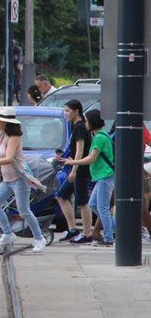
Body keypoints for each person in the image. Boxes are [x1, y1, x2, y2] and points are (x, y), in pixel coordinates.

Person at [0, 107, 48, 252]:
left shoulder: (14, 138)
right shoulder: (1, 136)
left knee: (24, 211)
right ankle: (8, 233)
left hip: (19, 180)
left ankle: (39, 238)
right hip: (6, 180)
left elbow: (9, 158)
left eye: (0, 121)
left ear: (6, 123)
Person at [60, 109, 114, 248]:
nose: (85, 123)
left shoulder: (100, 137)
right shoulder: (101, 135)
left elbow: (92, 158)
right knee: (94, 205)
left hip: (105, 176)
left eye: (87, 121)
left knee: (102, 208)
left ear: (93, 122)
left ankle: (108, 238)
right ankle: (114, 225)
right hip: (103, 176)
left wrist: (73, 162)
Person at [55, 99, 91, 243]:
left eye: (67, 111)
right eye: (64, 110)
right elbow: (75, 149)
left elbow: (81, 150)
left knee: (82, 202)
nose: (65, 114)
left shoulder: (80, 127)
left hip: (80, 170)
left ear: (76, 111)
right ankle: (73, 229)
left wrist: (74, 170)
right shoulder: (75, 126)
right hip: (74, 167)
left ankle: (87, 234)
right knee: (61, 196)